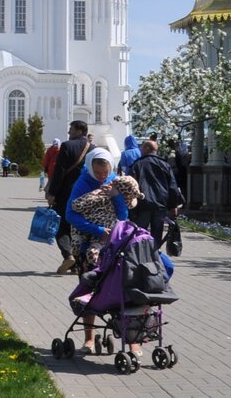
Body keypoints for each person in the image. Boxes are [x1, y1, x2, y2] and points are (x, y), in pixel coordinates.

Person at [65, 148, 137, 354]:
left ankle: (132, 340)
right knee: (89, 288)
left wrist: (115, 196)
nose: (102, 176)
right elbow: (71, 214)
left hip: (113, 244)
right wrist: (98, 231)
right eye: (98, 172)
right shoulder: (82, 184)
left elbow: (123, 215)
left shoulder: (115, 181)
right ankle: (88, 338)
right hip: (89, 244)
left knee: (121, 288)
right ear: (90, 167)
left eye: (105, 172)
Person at [45, 119, 90, 274]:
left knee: (61, 226)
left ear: (79, 131)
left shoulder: (67, 146)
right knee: (79, 230)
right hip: (87, 195)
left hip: (66, 193)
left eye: (71, 129)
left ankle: (68, 255)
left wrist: (52, 193)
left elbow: (59, 172)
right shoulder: (94, 148)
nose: (69, 132)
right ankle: (77, 265)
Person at [128, 138, 183, 248]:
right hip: (160, 205)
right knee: (156, 235)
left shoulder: (137, 165)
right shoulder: (164, 165)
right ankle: (154, 257)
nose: (140, 149)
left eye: (142, 147)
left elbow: (130, 185)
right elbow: (172, 186)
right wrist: (173, 205)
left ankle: (139, 257)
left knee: (139, 233)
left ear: (147, 148)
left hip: (142, 205)